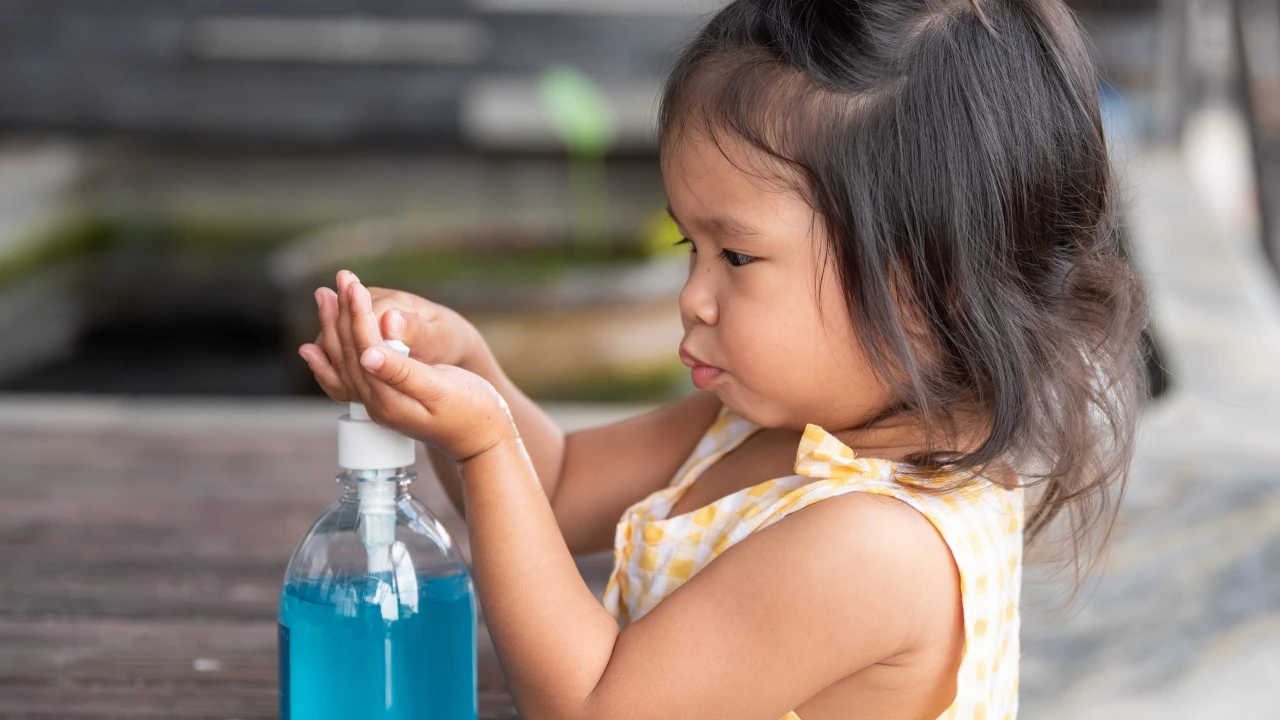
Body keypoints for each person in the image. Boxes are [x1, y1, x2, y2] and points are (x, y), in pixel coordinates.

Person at [297, 1, 1149, 717]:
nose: (691, 296)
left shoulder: (878, 547)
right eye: (687, 243)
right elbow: (551, 493)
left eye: (735, 258)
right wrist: (466, 370)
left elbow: (597, 707)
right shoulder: (764, 420)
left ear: (928, 292)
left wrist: (485, 445)